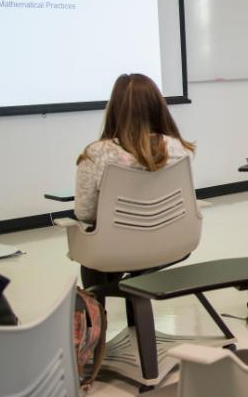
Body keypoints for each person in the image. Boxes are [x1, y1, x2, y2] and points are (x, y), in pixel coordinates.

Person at [74, 73, 195, 287]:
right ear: (159, 106)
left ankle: (98, 313)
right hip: (173, 243)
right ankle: (136, 284)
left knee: (96, 251)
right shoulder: (179, 149)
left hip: (117, 248)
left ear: (114, 109)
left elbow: (85, 213)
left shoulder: (95, 154)